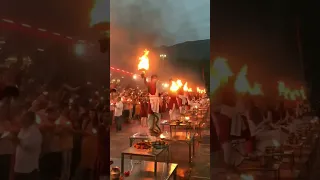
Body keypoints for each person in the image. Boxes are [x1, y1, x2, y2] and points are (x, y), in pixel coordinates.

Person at [13, 111, 42, 180]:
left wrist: (17, 140)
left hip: (29, 169)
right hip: (20, 167)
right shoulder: (22, 130)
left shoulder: (34, 132)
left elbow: (29, 145)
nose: (22, 120)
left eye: (25, 119)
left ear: (31, 120)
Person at [39, 106, 62, 180]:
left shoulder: (57, 123)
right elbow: (44, 127)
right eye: (54, 113)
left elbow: (58, 131)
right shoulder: (43, 123)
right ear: (49, 113)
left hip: (56, 152)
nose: (57, 114)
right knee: (45, 175)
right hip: (46, 154)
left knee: (54, 175)